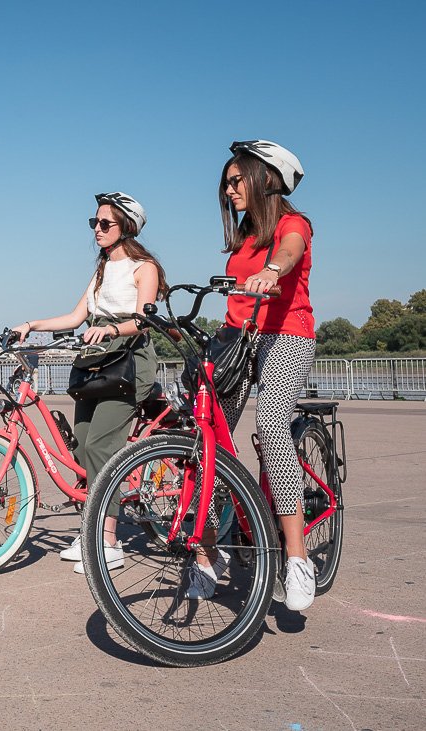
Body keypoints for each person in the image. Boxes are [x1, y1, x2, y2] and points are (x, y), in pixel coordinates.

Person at [12, 192, 167, 575]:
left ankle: (108, 540)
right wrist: (30, 325)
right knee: (82, 446)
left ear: (126, 227)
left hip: (129, 360)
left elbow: (145, 321)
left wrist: (112, 328)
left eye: (105, 224)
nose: (96, 230)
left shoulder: (143, 267)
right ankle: (93, 527)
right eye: (93, 223)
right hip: (95, 362)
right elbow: (75, 316)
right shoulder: (100, 270)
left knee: (102, 444)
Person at [194, 140, 317, 610]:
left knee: (270, 425)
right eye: (225, 184)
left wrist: (272, 271)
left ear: (265, 178)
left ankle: (296, 557)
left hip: (286, 333)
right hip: (238, 337)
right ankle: (212, 549)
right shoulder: (242, 236)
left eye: (235, 179)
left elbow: (288, 252)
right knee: (209, 434)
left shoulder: (292, 224)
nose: (229, 190)